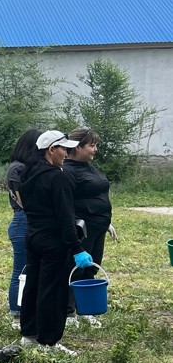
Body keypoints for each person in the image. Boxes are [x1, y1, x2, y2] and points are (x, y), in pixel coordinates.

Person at [18, 130, 95, 356]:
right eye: (64, 149)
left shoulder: (27, 174)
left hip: (33, 237)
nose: (67, 153)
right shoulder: (57, 177)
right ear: (51, 150)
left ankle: (29, 334)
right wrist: (77, 248)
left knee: (33, 285)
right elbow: (64, 216)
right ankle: (49, 341)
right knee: (53, 290)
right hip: (53, 240)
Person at [64, 127, 115, 329]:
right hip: (81, 229)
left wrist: (107, 222)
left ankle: (85, 309)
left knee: (91, 268)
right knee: (74, 269)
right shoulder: (67, 171)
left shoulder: (89, 167)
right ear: (77, 147)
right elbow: (66, 204)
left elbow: (98, 195)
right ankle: (68, 312)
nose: (95, 150)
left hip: (98, 227)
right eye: (91, 145)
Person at [5, 129, 43, 331]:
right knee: (20, 271)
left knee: (30, 269)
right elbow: (24, 201)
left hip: (30, 220)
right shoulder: (17, 169)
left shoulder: (27, 167)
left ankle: (28, 311)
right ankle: (17, 314)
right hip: (23, 221)